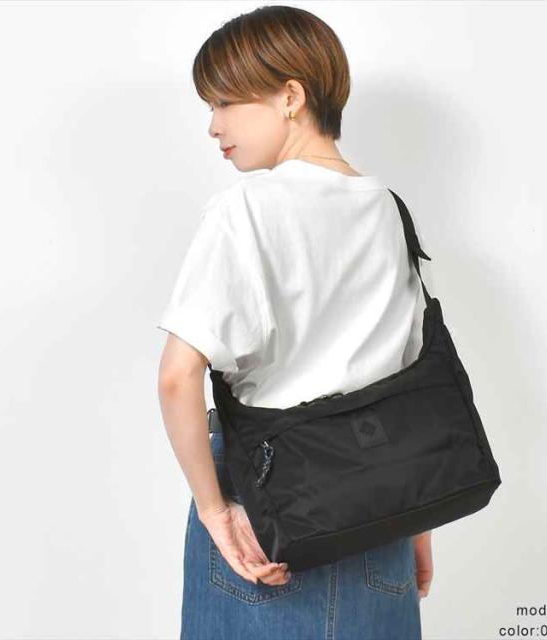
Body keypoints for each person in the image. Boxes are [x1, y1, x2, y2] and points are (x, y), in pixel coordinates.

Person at [157, 5, 433, 639]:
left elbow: (177, 376)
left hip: (263, 512)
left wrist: (214, 510)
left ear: (290, 96)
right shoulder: (389, 212)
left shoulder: (246, 210)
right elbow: (408, 384)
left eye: (225, 102)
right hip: (382, 509)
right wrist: (416, 520)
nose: (213, 125)